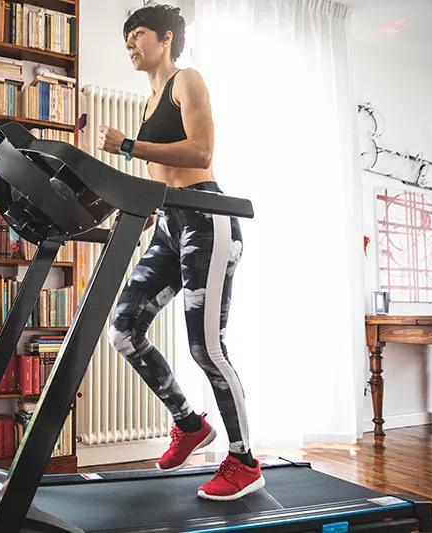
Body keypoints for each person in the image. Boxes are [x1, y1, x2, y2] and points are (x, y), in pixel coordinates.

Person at [98, 4, 264, 501]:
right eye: (126, 38)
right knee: (123, 330)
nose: (130, 44)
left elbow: (200, 153)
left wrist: (128, 146)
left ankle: (244, 460)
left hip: (207, 219)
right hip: (170, 225)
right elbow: (160, 176)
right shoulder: (148, 102)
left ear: (166, 38)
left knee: (205, 347)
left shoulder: (186, 81)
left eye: (139, 34)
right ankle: (189, 423)